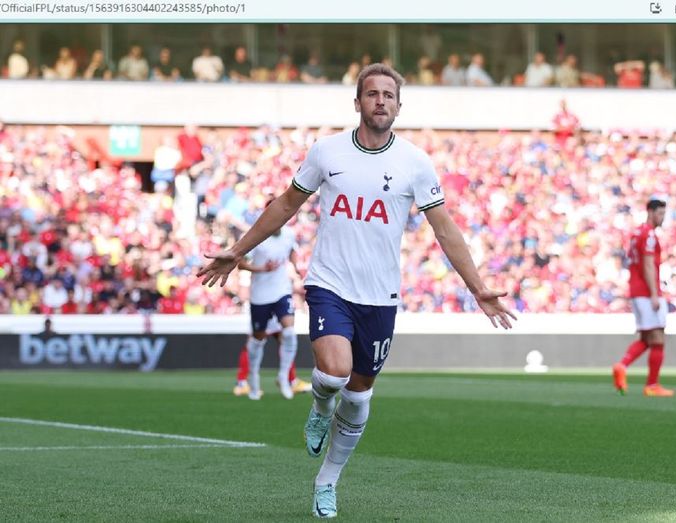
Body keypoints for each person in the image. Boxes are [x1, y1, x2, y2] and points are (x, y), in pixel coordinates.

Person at [197, 63, 515, 519]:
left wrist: (477, 286)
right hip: (330, 284)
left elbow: (443, 227)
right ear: (358, 103)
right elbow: (287, 203)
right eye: (372, 94)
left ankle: (327, 480)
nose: (380, 101)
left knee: (360, 394)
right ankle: (319, 407)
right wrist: (237, 249)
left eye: (389, 94)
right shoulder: (327, 152)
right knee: (334, 371)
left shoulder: (414, 163)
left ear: (399, 106)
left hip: (380, 296)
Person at [235, 213, 303, 400]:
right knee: (257, 339)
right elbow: (240, 263)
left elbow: (291, 251)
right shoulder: (256, 237)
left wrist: (296, 268)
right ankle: (253, 378)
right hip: (260, 295)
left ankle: (284, 377)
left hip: (282, 290)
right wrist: (261, 269)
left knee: (289, 332)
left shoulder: (289, 234)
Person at [613, 197, 674, 397]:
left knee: (647, 338)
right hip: (647, 293)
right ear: (650, 212)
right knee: (658, 339)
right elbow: (648, 265)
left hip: (637, 291)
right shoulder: (648, 234)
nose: (662, 217)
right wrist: (655, 294)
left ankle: (622, 366)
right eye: (660, 213)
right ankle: (652, 385)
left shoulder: (637, 233)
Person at [233, 315, 312, 397]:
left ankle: (291, 381)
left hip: (276, 309)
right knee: (253, 342)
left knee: (284, 341)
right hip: (264, 306)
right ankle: (241, 383)